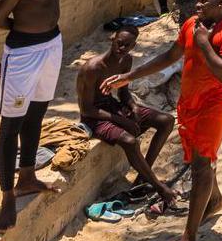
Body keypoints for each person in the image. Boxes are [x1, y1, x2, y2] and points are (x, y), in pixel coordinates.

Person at [103, 0, 222, 241]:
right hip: (188, 104)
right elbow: (170, 56)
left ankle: (188, 239)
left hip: (213, 106)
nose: (198, 5)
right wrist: (130, 77)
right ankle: (214, 200)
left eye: (205, 2)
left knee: (202, 165)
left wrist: (204, 43)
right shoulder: (192, 24)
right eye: (198, 0)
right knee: (200, 161)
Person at [0, 0, 82, 230]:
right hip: (23, 53)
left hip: (52, 45)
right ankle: (7, 195)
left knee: (36, 114)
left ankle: (27, 176)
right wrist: (23, 33)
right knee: (11, 123)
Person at [76, 27, 178, 209]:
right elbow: (86, 109)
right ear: (112, 39)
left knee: (166, 120)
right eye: (119, 43)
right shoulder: (93, 68)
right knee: (130, 141)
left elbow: (123, 92)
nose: (121, 48)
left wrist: (133, 107)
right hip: (94, 116)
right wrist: (121, 120)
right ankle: (159, 187)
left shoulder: (126, 60)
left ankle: (142, 178)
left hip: (112, 107)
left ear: (133, 46)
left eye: (126, 45)